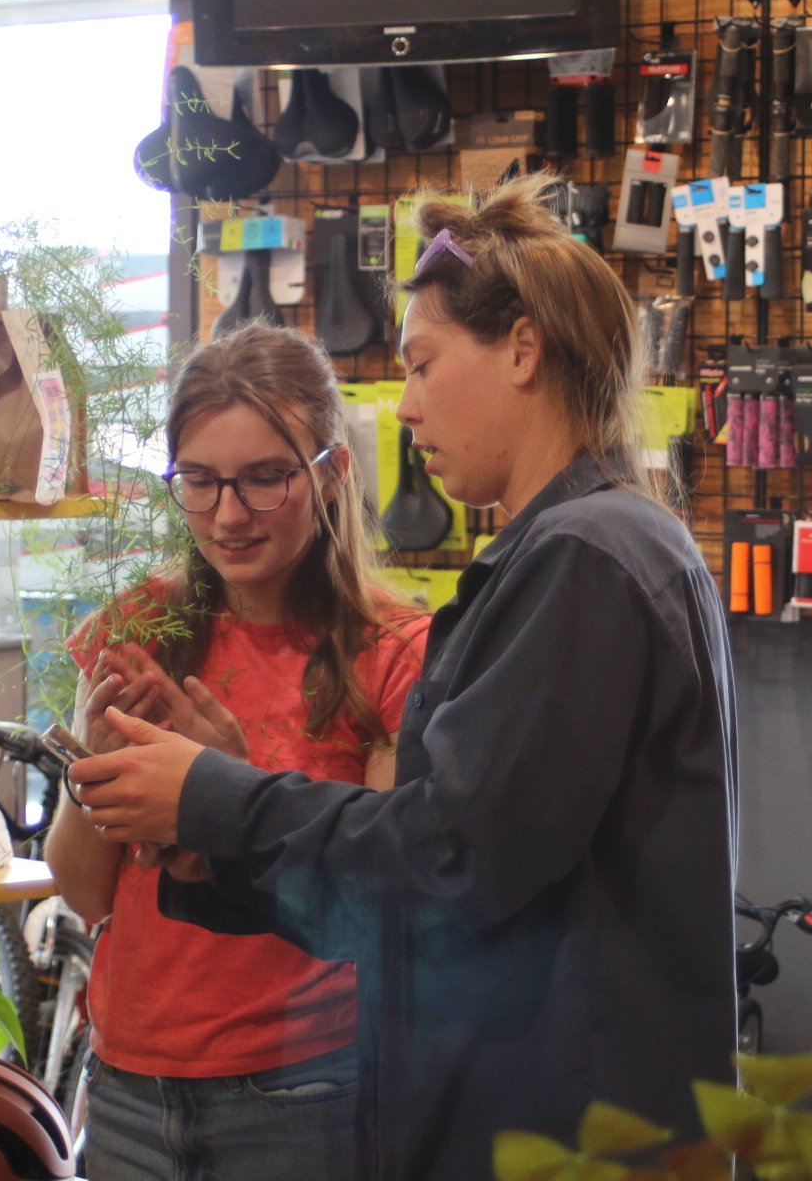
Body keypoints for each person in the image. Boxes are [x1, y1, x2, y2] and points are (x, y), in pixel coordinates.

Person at [69, 174, 740, 1181]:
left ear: (522, 348)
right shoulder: (570, 550)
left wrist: (223, 798)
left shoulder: (586, 559)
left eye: (423, 364)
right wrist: (222, 828)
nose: (411, 406)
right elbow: (436, 878)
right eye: (201, 481)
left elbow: (450, 862)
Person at [45, 323, 431, 1181]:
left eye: (263, 480)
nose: (228, 515)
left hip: (304, 1096)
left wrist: (228, 794)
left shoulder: (393, 650)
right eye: (201, 482)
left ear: (329, 474)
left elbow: (384, 910)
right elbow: (82, 891)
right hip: (129, 1087)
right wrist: (91, 782)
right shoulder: (139, 628)